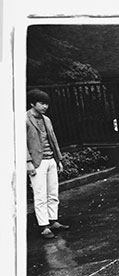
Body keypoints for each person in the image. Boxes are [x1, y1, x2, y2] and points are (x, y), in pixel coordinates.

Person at [26, 89, 70, 240]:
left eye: (46, 104)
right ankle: (44, 226)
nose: (45, 106)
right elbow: (21, 143)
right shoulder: (24, 119)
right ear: (32, 103)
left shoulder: (47, 119)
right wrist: (28, 162)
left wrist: (58, 160)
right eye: (41, 103)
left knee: (53, 192)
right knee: (40, 194)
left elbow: (53, 140)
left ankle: (53, 220)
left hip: (50, 159)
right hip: (37, 162)